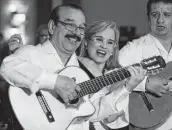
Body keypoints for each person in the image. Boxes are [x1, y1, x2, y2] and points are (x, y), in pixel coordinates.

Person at [0, 5, 146, 130]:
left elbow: (96, 112)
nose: (76, 32)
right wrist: (55, 82)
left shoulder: (85, 68)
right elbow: (8, 67)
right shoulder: (32, 53)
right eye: (70, 25)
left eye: (81, 28)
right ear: (52, 27)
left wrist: (127, 87)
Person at [78, 20, 147, 130]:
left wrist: (126, 87)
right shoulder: (72, 70)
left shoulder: (119, 77)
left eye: (110, 42)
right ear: (86, 42)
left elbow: (110, 119)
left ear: (113, 48)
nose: (104, 46)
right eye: (99, 39)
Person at [118, 0, 172, 129]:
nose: (160, 20)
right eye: (155, 14)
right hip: (146, 122)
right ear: (148, 17)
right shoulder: (133, 49)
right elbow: (108, 77)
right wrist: (144, 84)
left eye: (167, 14)